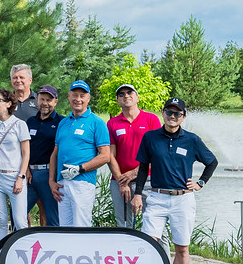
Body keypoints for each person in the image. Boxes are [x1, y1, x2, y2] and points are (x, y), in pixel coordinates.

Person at [131, 98, 218, 264]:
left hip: (183, 200)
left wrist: (200, 183)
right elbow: (143, 167)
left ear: (183, 117)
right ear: (163, 113)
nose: (173, 116)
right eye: (169, 112)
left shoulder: (192, 140)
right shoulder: (150, 137)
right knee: (149, 243)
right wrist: (137, 194)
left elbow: (212, 162)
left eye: (177, 113)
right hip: (158, 197)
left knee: (182, 248)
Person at [49, 81, 111, 227]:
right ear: (69, 97)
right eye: (75, 95)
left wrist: (80, 168)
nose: (78, 99)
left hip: (82, 182)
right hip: (62, 184)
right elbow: (55, 154)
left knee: (81, 227)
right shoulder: (63, 123)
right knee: (65, 228)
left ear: (88, 98)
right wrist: (51, 181)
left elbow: (105, 155)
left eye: (82, 96)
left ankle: (83, 251)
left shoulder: (97, 122)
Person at [106, 83, 162, 229]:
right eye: (121, 94)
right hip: (119, 181)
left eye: (130, 92)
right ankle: (126, 252)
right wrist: (121, 181)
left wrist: (134, 173)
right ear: (118, 101)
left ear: (137, 97)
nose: (126, 96)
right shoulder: (112, 123)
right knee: (123, 226)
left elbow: (156, 153)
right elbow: (110, 155)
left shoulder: (151, 119)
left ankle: (162, 253)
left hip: (148, 179)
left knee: (154, 224)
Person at [0, 89, 30, 237]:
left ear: (8, 103)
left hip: (14, 177)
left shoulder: (20, 125)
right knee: (0, 220)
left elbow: (26, 154)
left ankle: (24, 254)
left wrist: (21, 177)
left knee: (20, 221)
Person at [24, 85, 63, 227]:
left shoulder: (61, 122)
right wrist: (26, 169)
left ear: (55, 102)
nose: (45, 103)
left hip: (49, 174)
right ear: (37, 100)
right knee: (19, 213)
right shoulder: (30, 122)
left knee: (53, 217)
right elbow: (25, 148)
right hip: (30, 174)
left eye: (49, 100)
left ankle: (56, 247)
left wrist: (53, 177)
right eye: (42, 99)